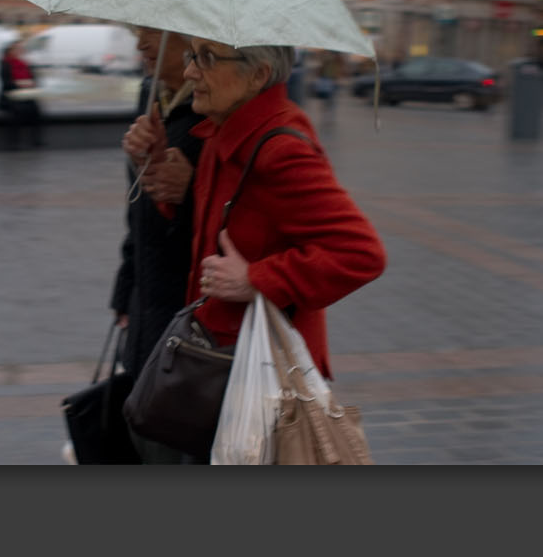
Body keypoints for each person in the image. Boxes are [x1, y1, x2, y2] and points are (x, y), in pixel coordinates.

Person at [126, 38, 387, 463]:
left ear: (258, 75)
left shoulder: (280, 148)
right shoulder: (221, 133)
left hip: (261, 370)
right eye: (193, 56)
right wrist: (156, 166)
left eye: (207, 59)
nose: (191, 72)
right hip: (219, 360)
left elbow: (359, 253)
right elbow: (220, 227)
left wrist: (256, 280)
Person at [112, 28, 203, 464]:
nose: (140, 45)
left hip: (187, 316)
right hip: (145, 302)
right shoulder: (152, 96)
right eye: (137, 33)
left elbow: (231, 216)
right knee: (140, 433)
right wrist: (124, 292)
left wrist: (188, 191)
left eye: (152, 34)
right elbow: (137, 216)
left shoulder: (211, 106)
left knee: (171, 438)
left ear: (190, 39)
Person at [0, 38, 44, 149]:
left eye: (21, 48)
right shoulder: (4, 63)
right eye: (17, 48)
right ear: (10, 50)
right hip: (9, 97)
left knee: (36, 109)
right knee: (16, 110)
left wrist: (31, 84)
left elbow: (35, 80)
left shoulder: (26, 64)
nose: (20, 50)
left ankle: (36, 140)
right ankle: (14, 141)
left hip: (26, 95)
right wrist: (20, 85)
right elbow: (6, 83)